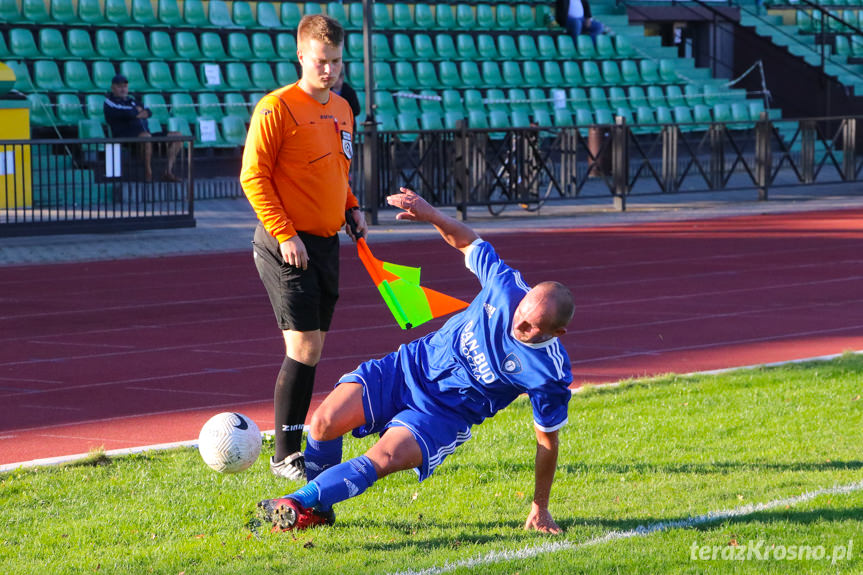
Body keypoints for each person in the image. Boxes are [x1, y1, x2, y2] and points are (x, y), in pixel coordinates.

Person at [257, 188, 574, 534]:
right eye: (521, 314)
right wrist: (430, 214)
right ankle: (318, 509)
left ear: (558, 332)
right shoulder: (506, 288)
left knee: (383, 457)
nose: (518, 324)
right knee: (323, 423)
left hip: (442, 414)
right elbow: (469, 242)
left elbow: (547, 442)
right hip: (407, 369)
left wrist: (540, 505)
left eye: (530, 327)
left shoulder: (549, 374)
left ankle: (300, 502)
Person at [241, 14, 368, 482]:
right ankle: (285, 456)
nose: (329, 70)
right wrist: (285, 232)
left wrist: (352, 207)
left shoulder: (342, 108)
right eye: (321, 61)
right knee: (303, 345)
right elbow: (253, 177)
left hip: (327, 241)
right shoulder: (276, 108)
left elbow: (338, 170)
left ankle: (291, 451)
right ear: (301, 56)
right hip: (285, 244)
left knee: (313, 348)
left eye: (336, 61)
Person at [102, 74, 182, 182]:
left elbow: (148, 112)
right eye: (119, 86)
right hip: (126, 138)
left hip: (145, 135)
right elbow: (126, 112)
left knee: (177, 136)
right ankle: (148, 172)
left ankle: (168, 171)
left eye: (125, 86)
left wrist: (136, 112)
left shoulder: (133, 101)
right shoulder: (109, 102)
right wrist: (136, 111)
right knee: (146, 136)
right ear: (113, 88)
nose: (123, 89)